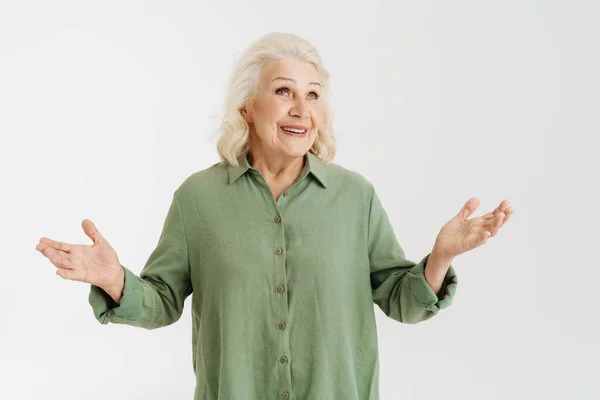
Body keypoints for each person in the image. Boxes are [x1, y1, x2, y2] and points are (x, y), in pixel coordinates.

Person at [35, 32, 514, 400]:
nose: (301, 108)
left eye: (313, 95)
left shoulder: (355, 197)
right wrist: (116, 279)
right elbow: (162, 302)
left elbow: (401, 301)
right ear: (247, 106)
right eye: (284, 91)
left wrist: (440, 258)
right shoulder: (198, 199)